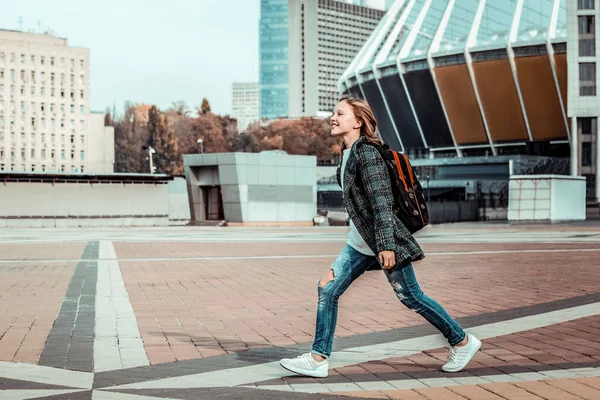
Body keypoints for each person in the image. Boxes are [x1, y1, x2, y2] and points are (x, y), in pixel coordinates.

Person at [279, 94, 481, 378]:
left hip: (382, 241)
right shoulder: (347, 154)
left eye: (340, 114)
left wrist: (386, 245)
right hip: (359, 245)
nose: (332, 118)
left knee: (411, 297)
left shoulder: (368, 153)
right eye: (333, 114)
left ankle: (462, 341)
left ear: (359, 122)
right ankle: (317, 359)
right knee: (327, 289)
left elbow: (382, 201)